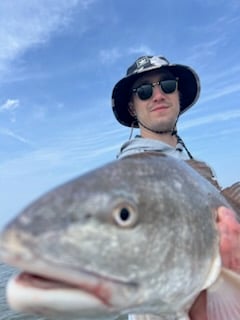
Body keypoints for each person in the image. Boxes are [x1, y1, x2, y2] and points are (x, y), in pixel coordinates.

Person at [111, 55, 240, 319]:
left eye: (167, 85)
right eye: (144, 91)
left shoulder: (185, 163)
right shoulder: (135, 173)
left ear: (178, 94)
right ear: (133, 108)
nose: (157, 95)